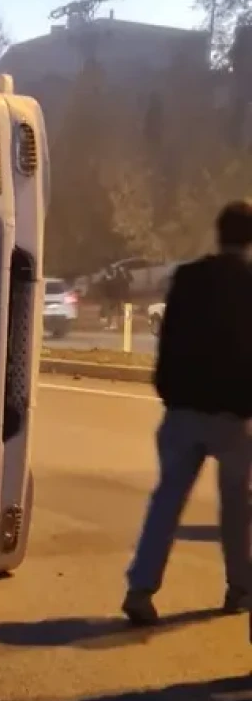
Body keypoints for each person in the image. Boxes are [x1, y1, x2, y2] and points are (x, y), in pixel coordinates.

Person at [123, 200, 252, 625]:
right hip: (235, 415)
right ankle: (240, 587)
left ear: (218, 233)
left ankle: (141, 588)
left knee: (167, 501)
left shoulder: (189, 277)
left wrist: (168, 389)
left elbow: (169, 337)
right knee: (237, 506)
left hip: (183, 410)